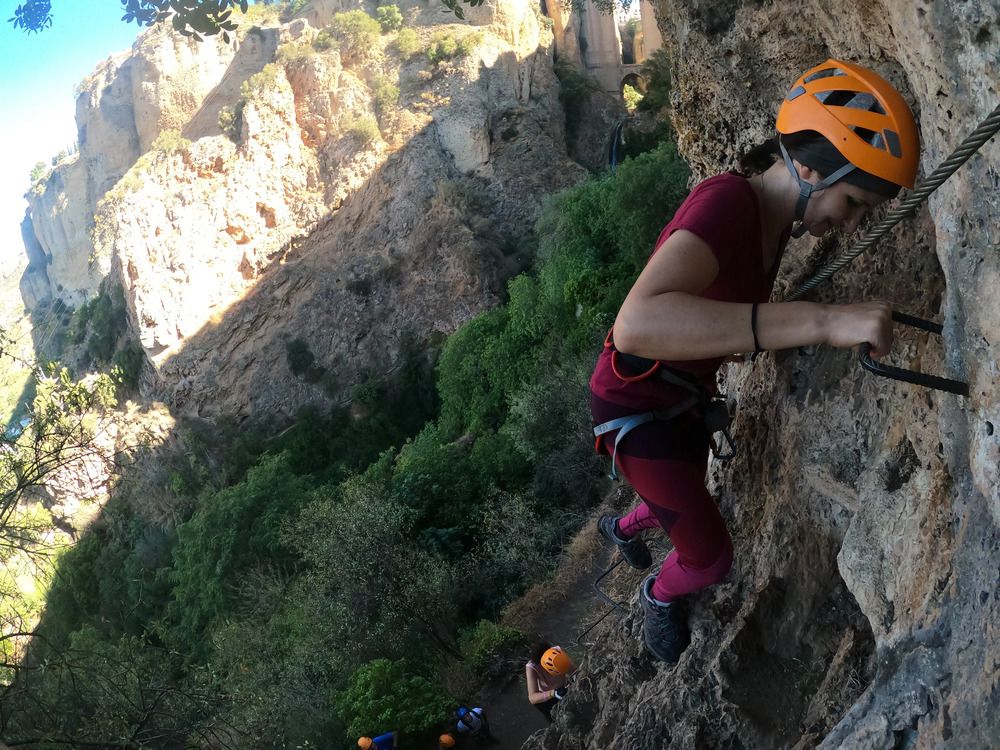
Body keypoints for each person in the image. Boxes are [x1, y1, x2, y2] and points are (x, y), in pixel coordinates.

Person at [591, 58, 920, 663]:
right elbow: (637, 325)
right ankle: (658, 594)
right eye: (850, 202)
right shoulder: (727, 204)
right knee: (710, 558)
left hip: (678, 398)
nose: (848, 224)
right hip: (634, 405)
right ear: (808, 165)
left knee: (681, 486)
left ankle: (622, 527)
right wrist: (824, 321)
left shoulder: (773, 225)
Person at [525, 643, 576, 721]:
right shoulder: (532, 667)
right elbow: (532, 697)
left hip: (564, 687)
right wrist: (553, 693)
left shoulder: (558, 653)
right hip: (546, 698)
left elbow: (573, 671)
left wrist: (575, 680)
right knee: (555, 720)